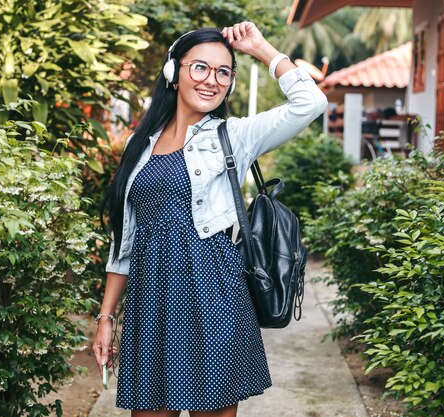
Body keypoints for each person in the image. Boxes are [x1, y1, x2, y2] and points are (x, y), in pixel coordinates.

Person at [93, 22, 327, 417]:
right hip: (151, 302)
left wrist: (262, 50)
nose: (212, 80)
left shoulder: (234, 135)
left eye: (223, 72)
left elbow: (310, 103)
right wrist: (106, 316)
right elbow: (125, 240)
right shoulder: (140, 145)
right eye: (200, 67)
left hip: (215, 293)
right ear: (173, 73)